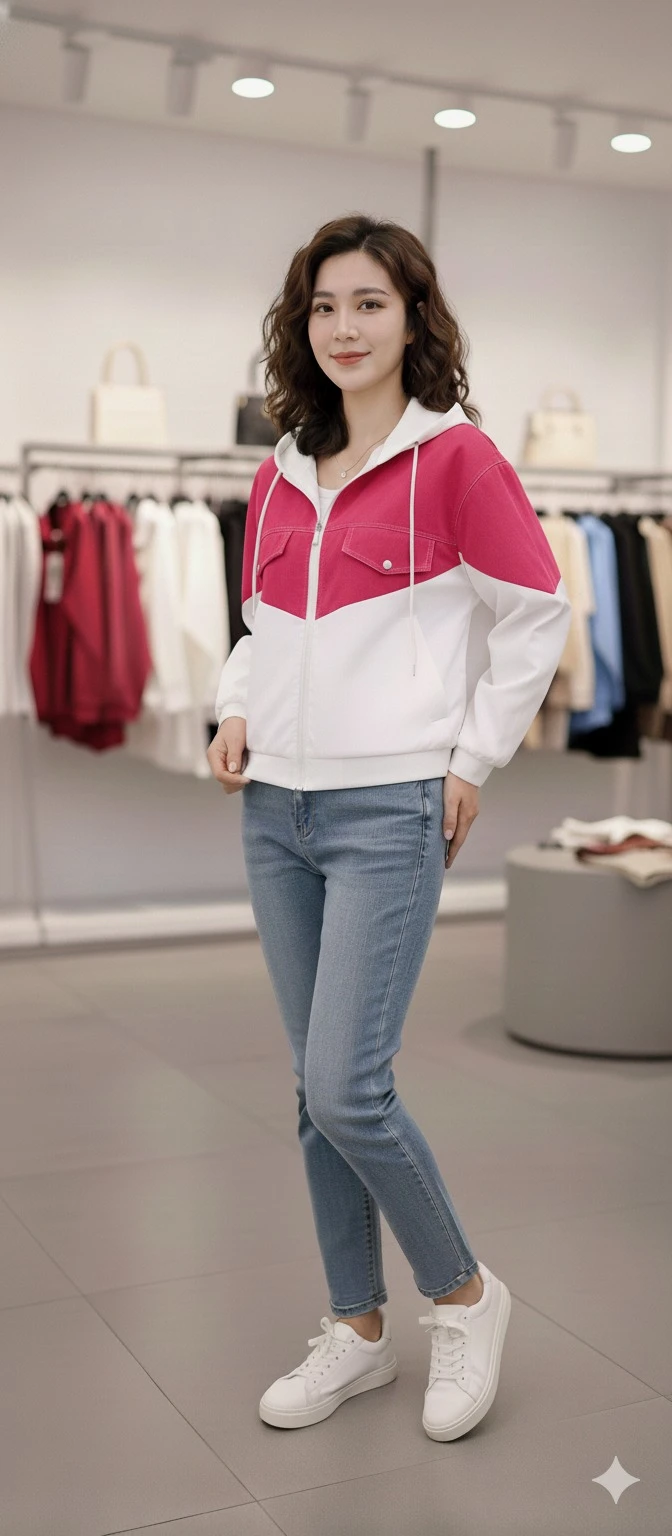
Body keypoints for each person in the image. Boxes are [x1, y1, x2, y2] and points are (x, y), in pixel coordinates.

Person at [207, 213, 572, 1440]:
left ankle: (463, 1295)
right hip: (276, 812)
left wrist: (471, 758)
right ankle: (356, 1331)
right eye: (324, 306)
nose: (344, 327)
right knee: (313, 1093)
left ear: (413, 317)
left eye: (369, 302)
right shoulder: (278, 470)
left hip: (388, 808)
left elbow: (537, 613)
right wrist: (234, 710)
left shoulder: (457, 459)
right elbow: (261, 627)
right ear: (300, 324)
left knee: (348, 1087)